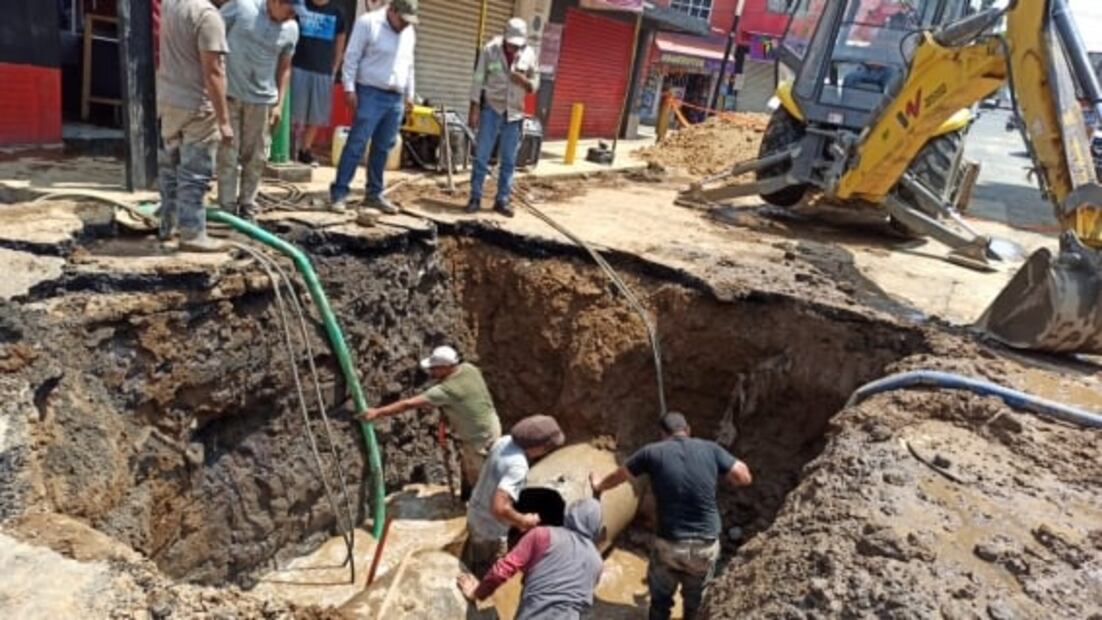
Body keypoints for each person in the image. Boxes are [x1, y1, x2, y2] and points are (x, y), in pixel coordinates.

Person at [589, 412, 752, 620]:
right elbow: (744, 477)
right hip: (706, 543)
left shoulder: (652, 452)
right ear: (688, 430)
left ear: (661, 434)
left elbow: (619, 476)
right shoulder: (710, 448)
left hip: (670, 543)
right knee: (695, 601)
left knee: (660, 601)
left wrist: (599, 485)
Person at [362, 345, 502, 499]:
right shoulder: (469, 369)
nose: (431, 372)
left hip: (479, 440)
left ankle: (483, 513)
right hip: (491, 425)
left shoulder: (446, 390)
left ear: (446, 367)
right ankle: (466, 500)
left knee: (482, 482)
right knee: (471, 470)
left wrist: (377, 412)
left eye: (435, 368)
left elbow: (408, 404)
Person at [156, 0, 233, 253]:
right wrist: (224, 121)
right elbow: (213, 72)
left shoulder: (172, 4)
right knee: (194, 174)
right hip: (196, 105)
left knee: (170, 168)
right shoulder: (208, 16)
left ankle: (168, 226)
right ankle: (192, 233)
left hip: (169, 99)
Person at [330, 0, 418, 214]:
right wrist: (349, 88)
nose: (406, 25)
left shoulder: (409, 32)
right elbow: (351, 57)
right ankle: (340, 192)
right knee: (356, 144)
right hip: (370, 92)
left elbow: (409, 64)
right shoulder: (368, 23)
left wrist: (410, 94)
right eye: (403, 20)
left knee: (383, 147)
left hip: (395, 97)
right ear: (392, 10)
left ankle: (374, 194)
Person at [217, 0, 299, 221]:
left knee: (256, 157)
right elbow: (212, 38)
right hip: (230, 95)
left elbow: (285, 68)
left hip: (262, 101)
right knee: (228, 154)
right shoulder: (241, 7)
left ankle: (247, 207)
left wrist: (280, 104)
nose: (292, 15)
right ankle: (226, 208)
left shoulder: (291, 28)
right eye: (290, 9)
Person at [458, 498, 604, 619]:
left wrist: (477, 593)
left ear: (569, 514)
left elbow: (503, 570)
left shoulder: (542, 535)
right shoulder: (597, 563)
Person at [463, 414, 565, 578]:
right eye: (547, 448)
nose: (546, 452)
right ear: (538, 446)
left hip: (476, 511)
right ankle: (479, 588)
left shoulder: (505, 441)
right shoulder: (518, 465)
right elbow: (499, 507)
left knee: (475, 552)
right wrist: (523, 521)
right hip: (490, 529)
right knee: (490, 568)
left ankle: (471, 569)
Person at [466, 18, 539, 218]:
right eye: (510, 44)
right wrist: (474, 108)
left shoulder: (530, 54)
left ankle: (502, 200)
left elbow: (535, 82)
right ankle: (475, 197)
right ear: (504, 36)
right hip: (492, 109)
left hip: (515, 113)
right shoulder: (490, 50)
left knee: (508, 160)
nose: (513, 48)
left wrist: (524, 81)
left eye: (517, 46)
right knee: (481, 156)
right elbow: (478, 79)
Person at [290, 0, 347, 166]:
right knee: (294, 113)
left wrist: (335, 67)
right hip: (297, 65)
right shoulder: (300, 5)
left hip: (322, 70)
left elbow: (340, 40)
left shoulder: (337, 11)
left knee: (316, 115)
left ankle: (305, 150)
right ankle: (289, 149)